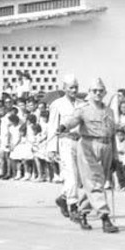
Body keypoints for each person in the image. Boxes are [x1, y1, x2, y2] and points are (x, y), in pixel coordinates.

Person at [59, 77, 119, 233]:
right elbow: (73, 120)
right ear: (90, 93)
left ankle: (83, 212)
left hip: (106, 146)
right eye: (94, 91)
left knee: (92, 183)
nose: (98, 93)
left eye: (101, 91)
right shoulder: (83, 108)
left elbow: (112, 136)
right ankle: (105, 217)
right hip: (88, 146)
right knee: (95, 182)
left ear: (104, 92)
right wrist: (64, 126)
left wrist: (115, 157)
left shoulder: (109, 111)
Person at [47, 75, 84, 221]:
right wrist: (52, 148)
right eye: (71, 87)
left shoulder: (82, 104)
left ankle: (63, 198)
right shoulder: (57, 104)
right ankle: (73, 206)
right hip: (65, 142)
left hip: (80, 142)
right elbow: (52, 126)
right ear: (64, 88)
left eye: (76, 87)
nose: (74, 90)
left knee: (78, 177)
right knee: (71, 175)